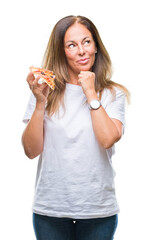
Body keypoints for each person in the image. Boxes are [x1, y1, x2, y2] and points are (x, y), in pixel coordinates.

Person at [22, 15, 130, 240]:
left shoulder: (113, 94)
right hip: (50, 209)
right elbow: (31, 151)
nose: (81, 51)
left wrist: (90, 92)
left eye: (86, 42)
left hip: (97, 210)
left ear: (96, 46)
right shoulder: (44, 91)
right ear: (62, 52)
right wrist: (40, 103)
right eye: (72, 45)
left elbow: (108, 139)